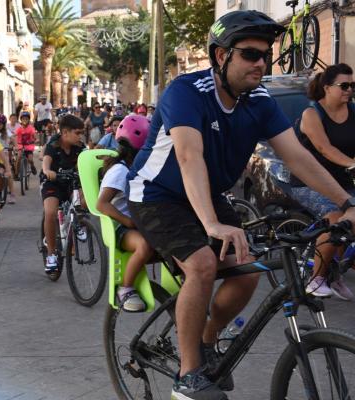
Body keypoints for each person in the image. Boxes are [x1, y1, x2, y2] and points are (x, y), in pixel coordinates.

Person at [127, 11, 355, 400]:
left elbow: (297, 157)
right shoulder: (187, 91)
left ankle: (207, 338)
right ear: (221, 56)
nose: (261, 63)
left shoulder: (259, 100)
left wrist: (347, 202)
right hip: (157, 195)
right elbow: (188, 157)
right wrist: (212, 225)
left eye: (265, 55)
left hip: (206, 195)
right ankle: (187, 375)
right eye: (250, 54)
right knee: (201, 264)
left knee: (249, 268)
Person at [289, 63, 355, 300]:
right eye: (344, 85)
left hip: (341, 181)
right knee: (339, 217)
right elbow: (324, 148)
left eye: (353, 85)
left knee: (351, 221)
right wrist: (353, 164)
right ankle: (316, 278)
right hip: (309, 181)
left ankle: (334, 271)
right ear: (327, 87)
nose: (349, 90)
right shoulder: (312, 114)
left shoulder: (353, 111)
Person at [96, 115, 152, 312]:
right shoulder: (120, 170)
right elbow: (102, 204)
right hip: (120, 227)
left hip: (140, 221)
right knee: (144, 246)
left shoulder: (139, 167)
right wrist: (127, 221)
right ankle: (126, 288)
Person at [41, 114, 85, 273]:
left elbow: (87, 160)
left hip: (71, 182)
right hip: (52, 182)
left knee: (84, 200)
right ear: (65, 132)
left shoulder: (80, 146)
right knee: (51, 212)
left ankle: (78, 224)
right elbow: (46, 161)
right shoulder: (54, 144)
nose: (80, 136)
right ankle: (51, 255)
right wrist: (47, 171)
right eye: (78, 133)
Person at [0, 114, 16, 204]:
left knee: (9, 173)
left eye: (1, 124)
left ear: (4, 125)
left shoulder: (6, 132)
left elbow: (13, 138)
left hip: (4, 155)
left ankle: (12, 194)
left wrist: (16, 145)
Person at [15, 111, 38, 176]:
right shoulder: (19, 129)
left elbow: (35, 136)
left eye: (26, 119)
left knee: (30, 159)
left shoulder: (31, 128)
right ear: (21, 120)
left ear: (28, 120)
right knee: (19, 157)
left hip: (29, 146)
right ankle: (16, 173)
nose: (25, 120)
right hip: (20, 145)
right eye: (23, 119)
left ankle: (32, 166)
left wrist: (36, 140)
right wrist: (11, 141)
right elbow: (14, 136)